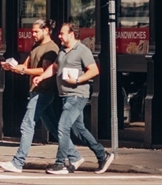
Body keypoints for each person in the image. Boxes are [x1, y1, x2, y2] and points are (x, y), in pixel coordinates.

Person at [0, 18, 78, 173]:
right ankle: (74, 155)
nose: (32, 34)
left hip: (44, 92)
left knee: (27, 125)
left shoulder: (52, 49)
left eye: (36, 31)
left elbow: (44, 70)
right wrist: (12, 67)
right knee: (54, 128)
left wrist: (22, 71)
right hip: (35, 90)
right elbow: (25, 66)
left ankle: (18, 162)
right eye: (31, 31)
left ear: (46, 30)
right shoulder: (36, 46)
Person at [34, 22, 114, 175]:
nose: (59, 36)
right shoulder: (63, 50)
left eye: (62, 33)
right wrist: (42, 77)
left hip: (77, 96)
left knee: (63, 126)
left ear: (71, 34)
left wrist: (77, 80)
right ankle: (102, 155)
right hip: (65, 96)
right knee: (79, 130)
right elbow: (55, 67)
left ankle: (61, 163)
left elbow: (94, 70)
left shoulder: (82, 50)